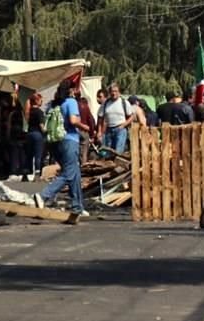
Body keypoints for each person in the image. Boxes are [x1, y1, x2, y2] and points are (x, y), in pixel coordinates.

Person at [34, 79, 89, 224]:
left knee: (74, 173)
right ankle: (44, 196)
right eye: (75, 89)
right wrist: (85, 127)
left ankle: (77, 206)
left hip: (54, 142)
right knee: (69, 173)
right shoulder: (71, 102)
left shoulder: (53, 104)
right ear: (71, 90)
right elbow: (73, 121)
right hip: (69, 140)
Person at [96, 83, 134, 153]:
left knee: (118, 152)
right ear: (110, 92)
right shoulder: (105, 103)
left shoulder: (124, 102)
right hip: (109, 130)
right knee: (108, 152)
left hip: (120, 130)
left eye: (116, 91)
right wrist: (99, 132)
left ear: (119, 92)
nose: (114, 93)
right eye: (112, 91)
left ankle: (118, 163)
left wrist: (123, 125)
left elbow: (132, 117)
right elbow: (100, 118)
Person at [25, 93, 46, 181]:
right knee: (38, 155)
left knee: (29, 155)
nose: (42, 101)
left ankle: (27, 173)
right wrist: (46, 131)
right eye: (41, 100)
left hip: (29, 134)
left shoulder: (29, 112)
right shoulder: (39, 112)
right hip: (37, 135)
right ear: (37, 101)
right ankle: (37, 174)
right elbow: (41, 126)